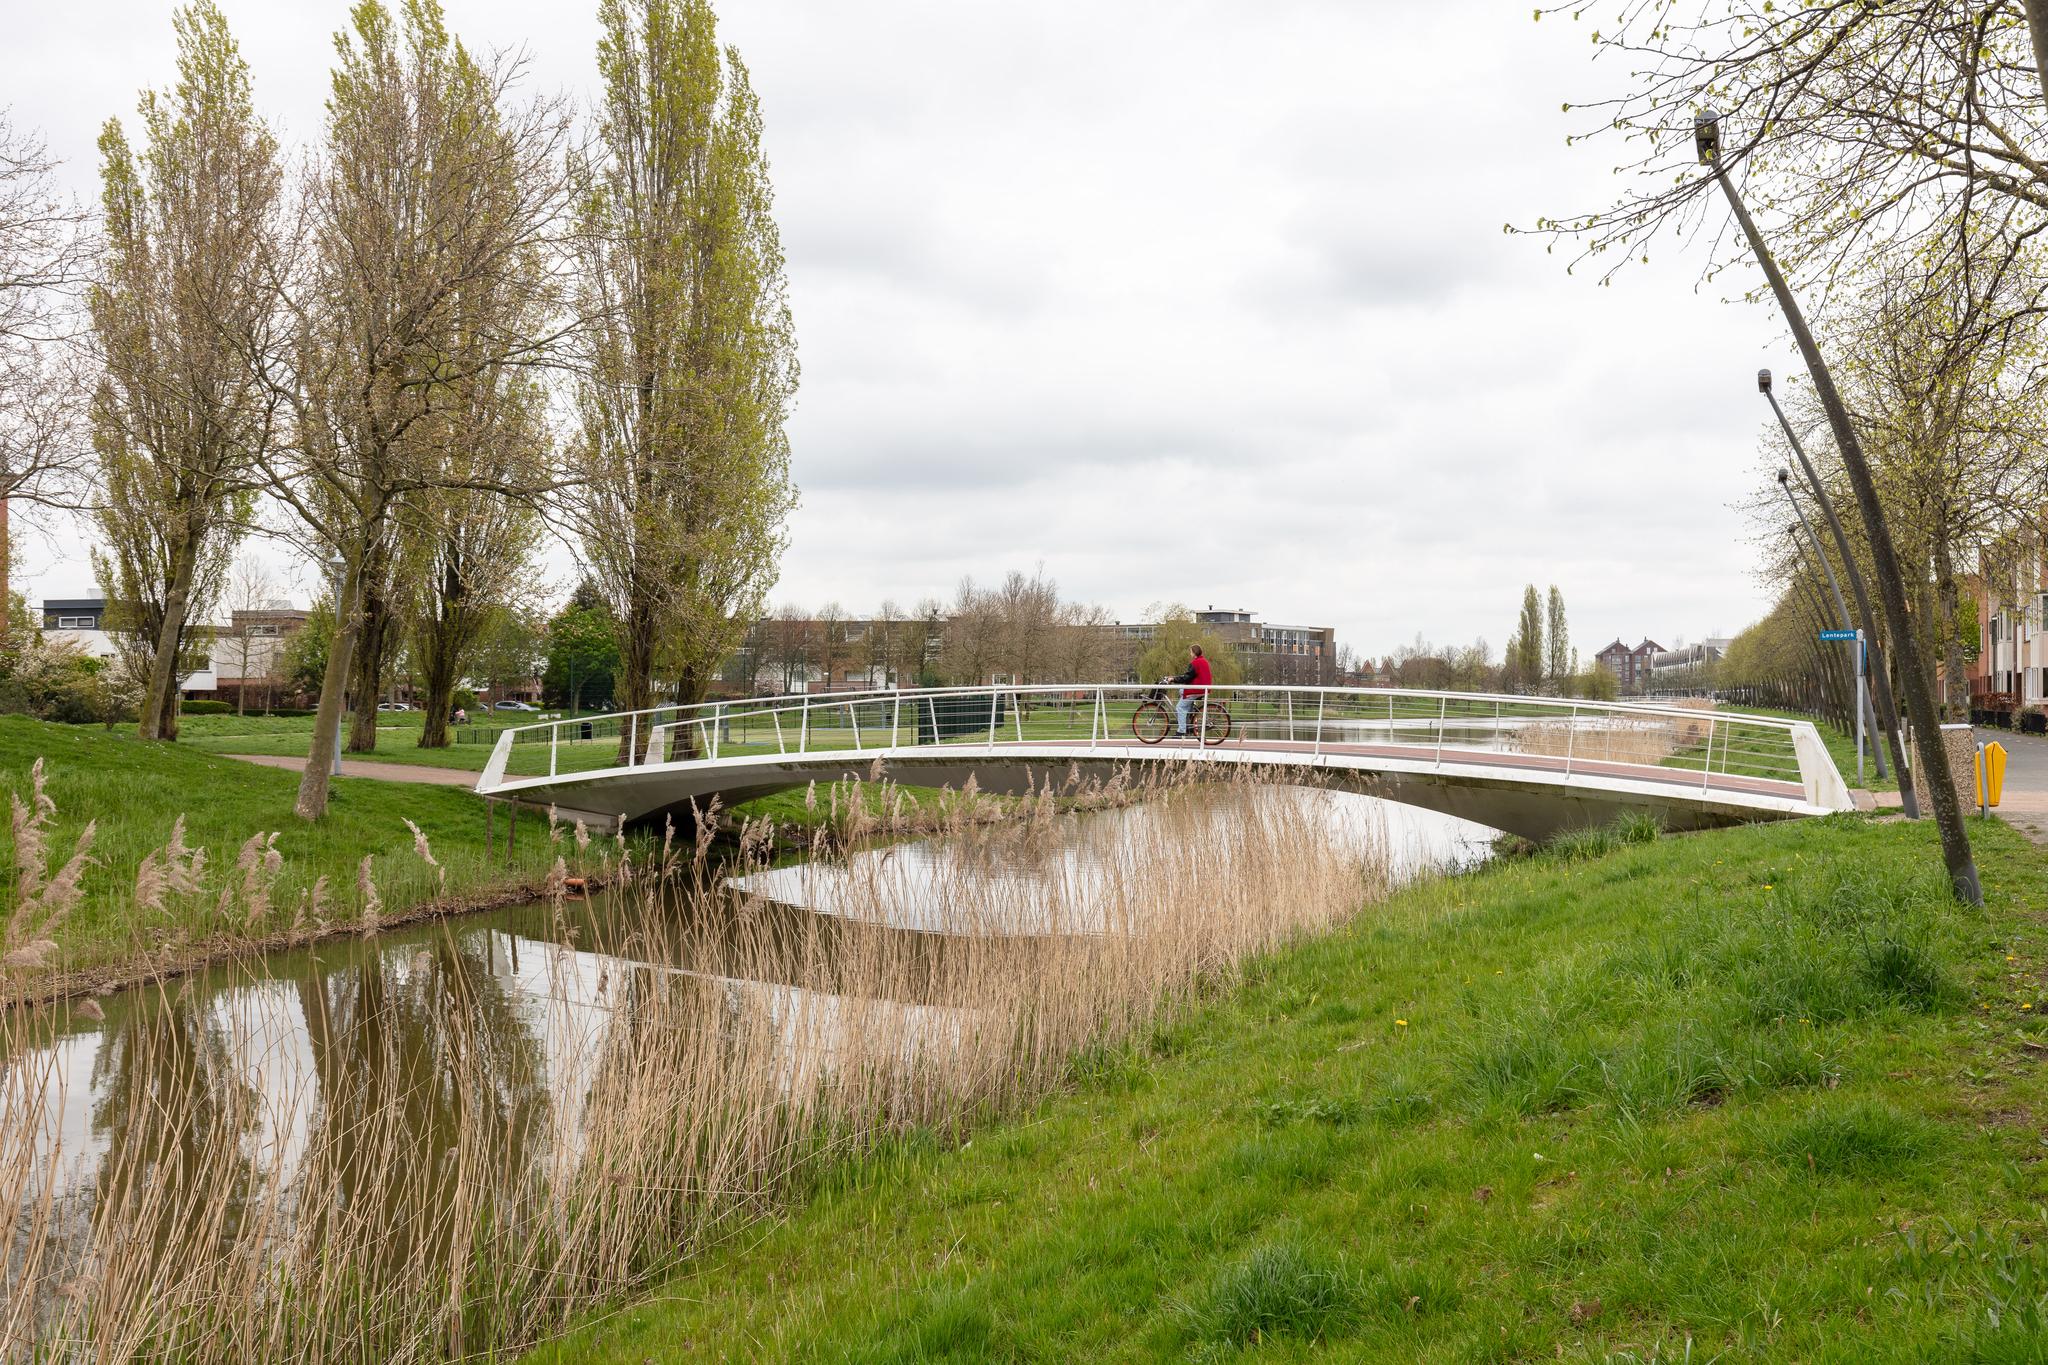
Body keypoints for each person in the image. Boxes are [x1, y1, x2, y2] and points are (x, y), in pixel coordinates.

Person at [1164, 644, 1213, 738]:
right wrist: (1175, 678)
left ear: (1194, 653)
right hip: (1203, 688)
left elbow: (1187, 677)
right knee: (1182, 690)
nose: (1190, 653)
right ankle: (1188, 718)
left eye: (1190, 652)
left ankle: (1181, 731)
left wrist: (1173, 679)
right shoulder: (1203, 661)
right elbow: (1190, 677)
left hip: (1197, 689)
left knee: (1180, 707)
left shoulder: (1195, 663)